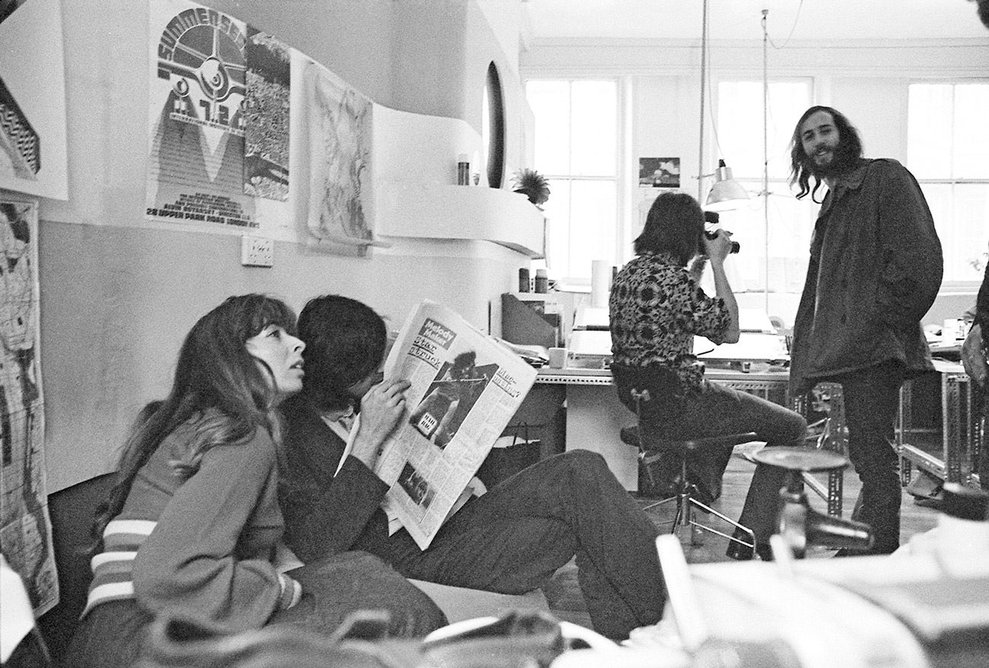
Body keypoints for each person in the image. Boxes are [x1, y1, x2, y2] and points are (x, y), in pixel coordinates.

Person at [66, 295, 445, 668]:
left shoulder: (206, 423)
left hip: (109, 637)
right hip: (151, 639)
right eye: (275, 334)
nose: (298, 344)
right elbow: (169, 576)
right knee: (402, 609)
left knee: (361, 571)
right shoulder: (244, 437)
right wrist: (277, 587)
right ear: (235, 358)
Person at [277, 295, 667, 641]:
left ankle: (651, 630)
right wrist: (368, 441)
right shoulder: (291, 431)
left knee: (582, 469)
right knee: (579, 525)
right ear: (337, 378)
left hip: (449, 520)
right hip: (408, 555)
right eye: (370, 374)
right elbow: (318, 547)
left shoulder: (358, 400)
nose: (379, 377)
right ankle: (649, 632)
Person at [608, 191, 808, 561]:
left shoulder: (627, 275)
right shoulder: (675, 281)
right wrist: (717, 262)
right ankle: (749, 540)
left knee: (725, 406)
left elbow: (681, 309)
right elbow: (729, 331)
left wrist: (697, 262)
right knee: (792, 425)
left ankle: (702, 487)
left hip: (647, 406)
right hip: (684, 404)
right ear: (689, 231)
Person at [782, 106, 943, 555]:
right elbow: (822, 292)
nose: (818, 141)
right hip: (851, 349)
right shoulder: (834, 202)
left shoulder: (885, 178)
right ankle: (868, 543)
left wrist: (880, 322)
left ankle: (874, 549)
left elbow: (920, 262)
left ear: (844, 134)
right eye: (809, 136)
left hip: (873, 347)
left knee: (873, 456)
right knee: (868, 454)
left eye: (825, 130)